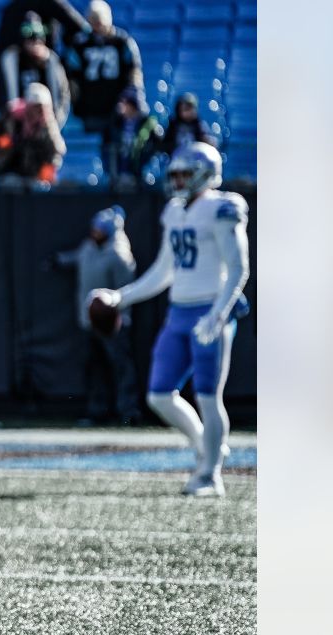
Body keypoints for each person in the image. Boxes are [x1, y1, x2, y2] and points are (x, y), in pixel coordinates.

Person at [87, 142, 250, 497]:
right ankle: (205, 448)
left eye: (184, 174)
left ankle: (210, 475)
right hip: (179, 311)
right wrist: (120, 297)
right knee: (159, 395)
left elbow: (238, 268)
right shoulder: (174, 212)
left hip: (210, 308)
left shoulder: (223, 208)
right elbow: (164, 270)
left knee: (208, 396)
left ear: (205, 173)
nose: (177, 181)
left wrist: (219, 313)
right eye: (173, 174)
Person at [51, 206, 139, 424]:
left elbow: (127, 291)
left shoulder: (119, 256)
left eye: (99, 229)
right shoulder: (88, 247)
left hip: (113, 325)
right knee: (94, 367)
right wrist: (58, 260)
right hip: (88, 322)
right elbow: (75, 258)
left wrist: (121, 319)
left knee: (120, 367)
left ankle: (128, 412)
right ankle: (97, 410)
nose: (94, 232)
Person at [65, 0, 143, 134]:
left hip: (117, 107)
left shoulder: (122, 41)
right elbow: (71, 76)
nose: (97, 27)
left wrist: (130, 98)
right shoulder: (80, 44)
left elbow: (134, 71)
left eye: (99, 22)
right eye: (93, 22)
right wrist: (76, 103)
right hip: (90, 107)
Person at [0, 12, 70, 127]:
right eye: (31, 40)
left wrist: (56, 122)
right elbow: (2, 92)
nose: (35, 44)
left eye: (38, 39)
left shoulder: (51, 61)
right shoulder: (12, 59)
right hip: (20, 123)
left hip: (46, 122)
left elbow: (63, 94)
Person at [0, 82, 66, 184]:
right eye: (36, 106)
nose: (40, 111)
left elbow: (57, 151)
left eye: (43, 107)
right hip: (9, 171)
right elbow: (2, 148)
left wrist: (45, 174)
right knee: (10, 183)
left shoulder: (47, 125)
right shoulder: (10, 119)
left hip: (35, 177)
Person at [102, 85, 162, 187]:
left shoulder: (147, 124)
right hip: (120, 169)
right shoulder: (115, 123)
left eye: (125, 103)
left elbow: (157, 145)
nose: (121, 106)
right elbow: (107, 146)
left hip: (140, 170)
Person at [0, 0, 89, 61]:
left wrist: (67, 47)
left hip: (48, 62)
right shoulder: (12, 10)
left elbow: (80, 27)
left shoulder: (53, 4)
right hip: (23, 67)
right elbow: (4, 48)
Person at [161, 92, 215, 157]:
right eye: (183, 109)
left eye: (188, 109)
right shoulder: (173, 125)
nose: (186, 112)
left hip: (196, 162)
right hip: (177, 162)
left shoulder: (199, 125)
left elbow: (210, 142)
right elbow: (165, 145)